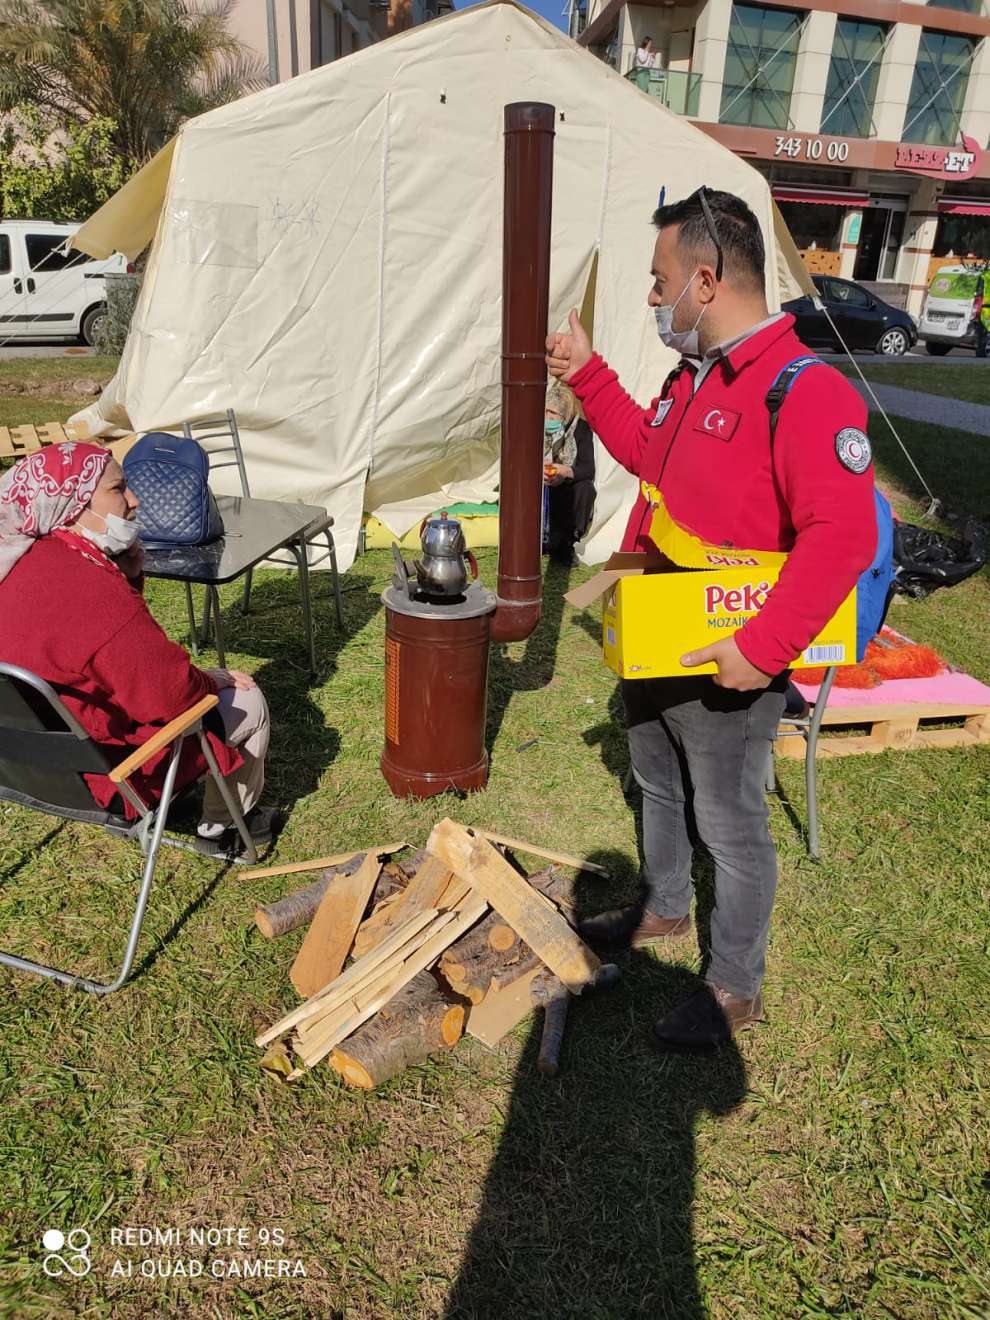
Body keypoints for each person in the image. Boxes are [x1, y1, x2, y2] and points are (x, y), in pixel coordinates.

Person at [546, 188, 876, 1048]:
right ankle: (662, 909)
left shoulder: (803, 391)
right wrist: (585, 370)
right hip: (658, 629)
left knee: (731, 824)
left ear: (705, 278)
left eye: (660, 284)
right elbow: (645, 451)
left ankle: (734, 986)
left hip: (730, 652)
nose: (655, 301)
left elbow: (841, 539)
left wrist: (762, 650)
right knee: (655, 778)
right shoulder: (693, 379)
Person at [0, 442, 275, 858]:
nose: (134, 499)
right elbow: (172, 698)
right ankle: (224, 831)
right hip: (111, 777)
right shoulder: (92, 592)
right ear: (72, 504)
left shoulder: (18, 562)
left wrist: (124, 576)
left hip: (29, 768)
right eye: (119, 488)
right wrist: (209, 679)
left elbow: (96, 659)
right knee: (248, 700)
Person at [544, 379, 596, 567]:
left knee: (585, 489)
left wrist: (563, 472)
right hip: (542, 484)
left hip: (565, 486)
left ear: (565, 414)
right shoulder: (537, 428)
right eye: (546, 412)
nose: (548, 418)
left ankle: (567, 542)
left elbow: (588, 469)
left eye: (554, 414)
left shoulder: (580, 429)